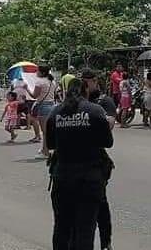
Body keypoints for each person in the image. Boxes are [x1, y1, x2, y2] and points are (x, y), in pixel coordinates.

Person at [46, 78, 114, 250]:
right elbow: (108, 142)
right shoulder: (95, 110)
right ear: (85, 91)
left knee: (61, 228)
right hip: (89, 179)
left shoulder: (56, 112)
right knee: (85, 229)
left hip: (62, 178)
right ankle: (106, 243)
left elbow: (51, 145)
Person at [80, 68, 116, 250]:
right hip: (75, 160)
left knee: (101, 205)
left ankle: (106, 242)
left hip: (96, 160)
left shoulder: (104, 100)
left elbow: (108, 124)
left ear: (95, 81)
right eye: (82, 82)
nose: (85, 86)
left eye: (88, 82)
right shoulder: (75, 102)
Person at [30, 65, 56, 158]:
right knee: (47, 130)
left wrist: (27, 88)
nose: (36, 72)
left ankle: (46, 151)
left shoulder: (39, 82)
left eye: (37, 71)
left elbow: (34, 96)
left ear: (42, 72)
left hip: (43, 106)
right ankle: (44, 149)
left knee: (45, 131)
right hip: (51, 105)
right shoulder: (52, 82)